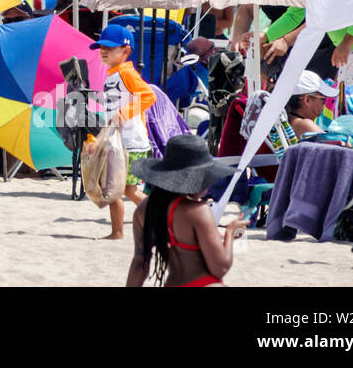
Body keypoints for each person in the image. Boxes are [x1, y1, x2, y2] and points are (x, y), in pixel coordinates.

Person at [126, 135, 247, 287]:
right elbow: (220, 268)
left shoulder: (144, 210)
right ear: (191, 179)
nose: (208, 183)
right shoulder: (198, 212)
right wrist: (230, 232)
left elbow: (140, 265)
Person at [93, 25, 156, 240]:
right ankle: (126, 230)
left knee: (117, 190)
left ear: (125, 51)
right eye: (101, 46)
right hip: (124, 141)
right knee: (125, 191)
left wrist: (124, 113)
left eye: (110, 47)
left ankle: (120, 231)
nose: (103, 50)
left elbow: (148, 95)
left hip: (130, 143)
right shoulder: (113, 74)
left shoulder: (126, 72)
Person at [285, 71, 337, 138]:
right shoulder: (305, 125)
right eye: (323, 100)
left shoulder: (290, 121)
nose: (324, 105)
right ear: (307, 100)